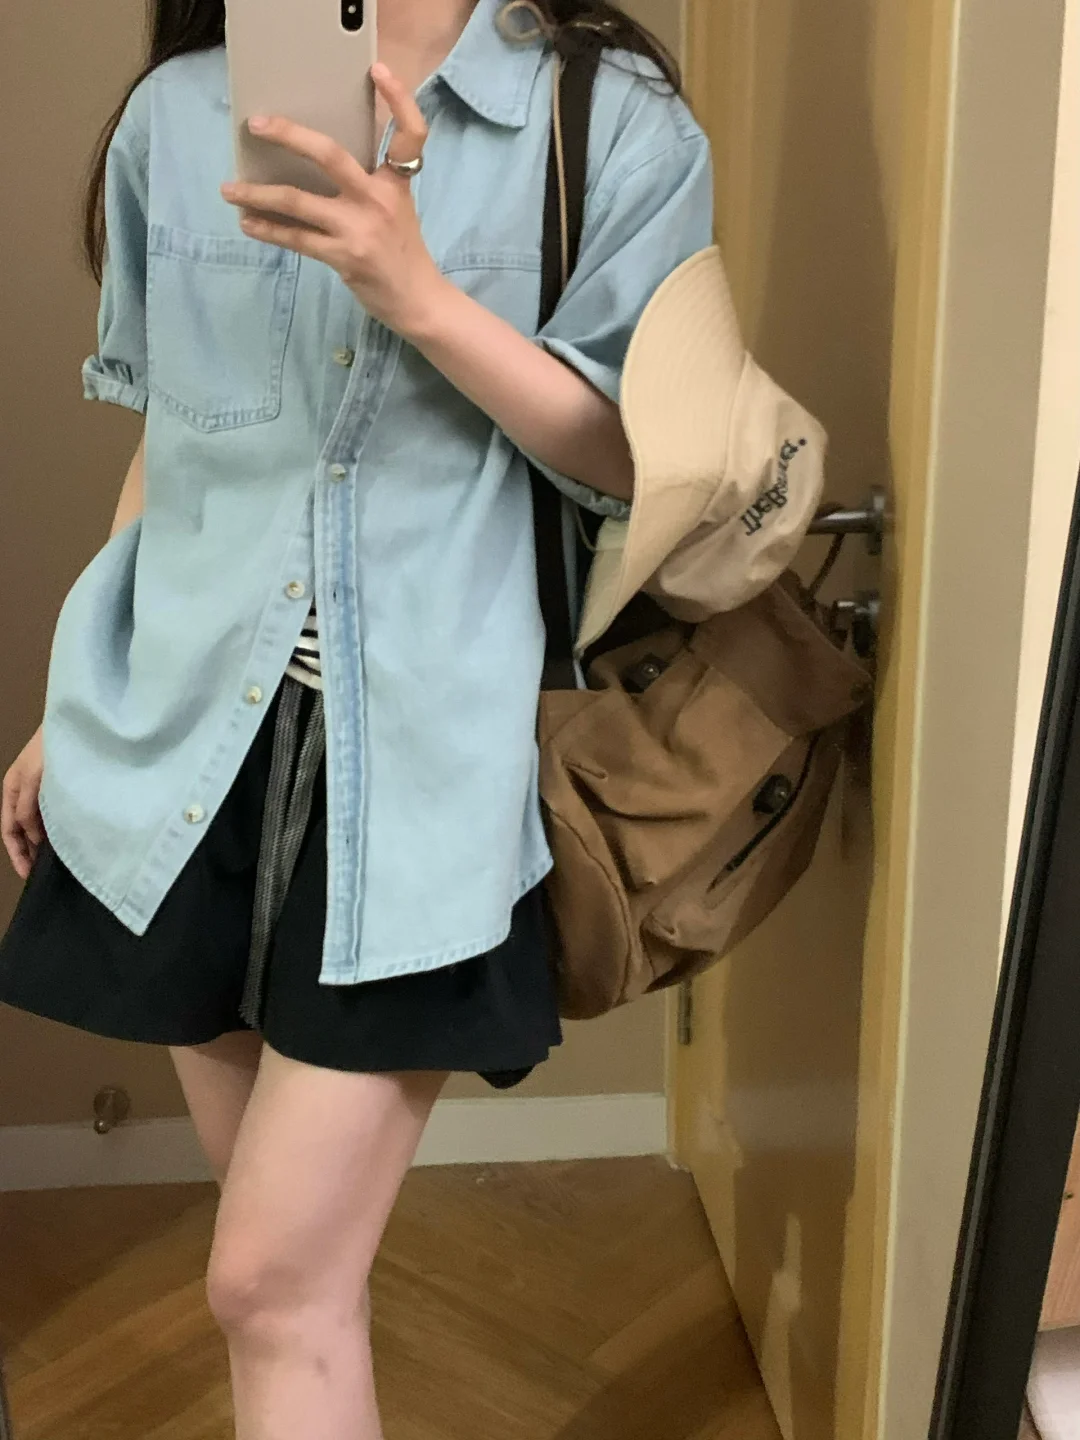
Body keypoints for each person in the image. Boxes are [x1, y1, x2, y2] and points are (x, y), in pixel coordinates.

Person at [0, 0, 713, 1433]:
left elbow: (639, 459)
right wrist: (67, 705)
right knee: (297, 1288)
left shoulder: (608, 121)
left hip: (419, 775)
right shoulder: (178, 114)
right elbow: (170, 441)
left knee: (270, 1286)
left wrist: (419, 293)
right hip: (179, 749)